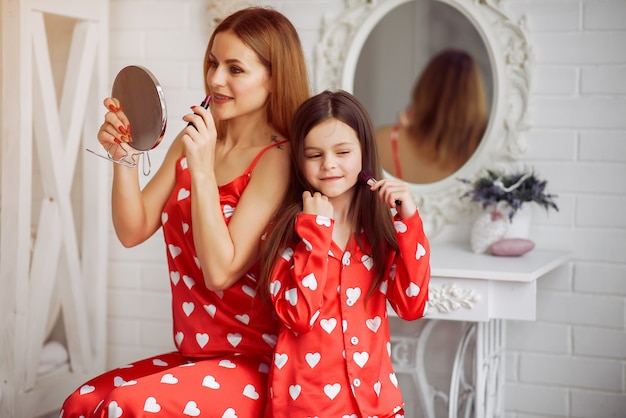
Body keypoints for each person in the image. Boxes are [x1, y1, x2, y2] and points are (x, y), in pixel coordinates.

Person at [61, 6, 310, 417]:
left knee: (124, 406)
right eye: (213, 63)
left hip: (256, 364)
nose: (215, 79)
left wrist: (201, 168)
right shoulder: (192, 139)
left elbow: (221, 271)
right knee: (82, 402)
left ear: (273, 76)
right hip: (198, 357)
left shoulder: (277, 158)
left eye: (235, 69)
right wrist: (124, 156)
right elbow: (133, 229)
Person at [257, 90, 431, 417]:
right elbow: (299, 316)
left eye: (343, 151)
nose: (329, 165)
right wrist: (316, 234)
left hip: (377, 404)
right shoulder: (285, 232)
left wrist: (408, 221)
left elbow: (411, 305)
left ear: (364, 152)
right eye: (314, 155)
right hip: (306, 407)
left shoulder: (380, 233)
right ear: (299, 159)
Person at [375, 48, 488, 183]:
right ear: (475, 97)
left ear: (424, 89)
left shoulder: (385, 140)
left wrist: (401, 131)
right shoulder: (487, 149)